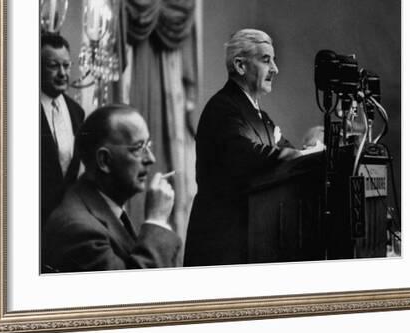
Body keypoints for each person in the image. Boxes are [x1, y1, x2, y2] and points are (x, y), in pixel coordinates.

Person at [185, 29, 311, 267]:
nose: (275, 69)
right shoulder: (222, 108)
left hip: (253, 239)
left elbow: (289, 155)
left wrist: (309, 152)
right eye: (266, 60)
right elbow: (246, 155)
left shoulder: (261, 116)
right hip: (222, 244)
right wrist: (300, 155)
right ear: (240, 65)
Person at [42, 104, 182, 272]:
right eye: (138, 148)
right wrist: (156, 220)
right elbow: (134, 292)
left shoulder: (100, 203)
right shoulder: (79, 230)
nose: (150, 158)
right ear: (104, 161)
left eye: (148, 146)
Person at [40, 33, 85, 227]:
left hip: (65, 222)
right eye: (53, 66)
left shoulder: (77, 112)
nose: (62, 73)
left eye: (66, 66)